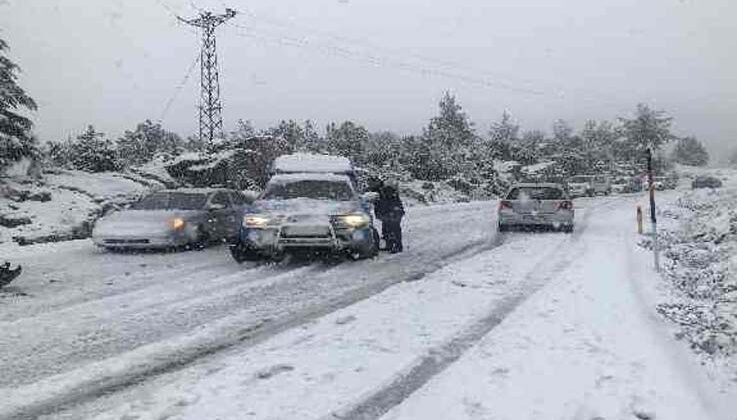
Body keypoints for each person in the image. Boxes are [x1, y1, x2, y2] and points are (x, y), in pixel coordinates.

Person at [374, 182, 405, 253]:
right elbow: (378, 207)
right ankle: (389, 244)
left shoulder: (394, 197)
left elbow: (398, 207)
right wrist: (379, 214)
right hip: (386, 217)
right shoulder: (381, 197)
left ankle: (398, 246)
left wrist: (395, 214)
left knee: (395, 230)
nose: (387, 193)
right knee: (386, 230)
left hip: (394, 217)